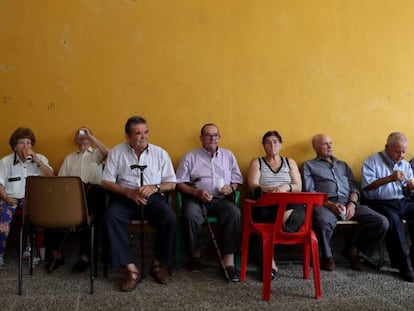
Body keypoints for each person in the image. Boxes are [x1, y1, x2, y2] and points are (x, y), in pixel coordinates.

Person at [102, 116, 176, 292]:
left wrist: (155, 187)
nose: (143, 137)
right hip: (125, 196)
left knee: (169, 218)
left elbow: (171, 183)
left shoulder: (160, 153)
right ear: (128, 136)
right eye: (138, 133)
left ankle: (159, 264)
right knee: (110, 218)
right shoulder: (116, 153)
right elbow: (106, 181)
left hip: (152, 197)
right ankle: (131, 270)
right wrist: (128, 192)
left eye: (146, 132)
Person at [302, 134, 389, 272]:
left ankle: (354, 251)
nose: (330, 146)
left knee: (381, 222)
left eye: (331, 143)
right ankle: (327, 256)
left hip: (348, 202)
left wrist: (352, 204)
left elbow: (354, 187)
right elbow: (309, 191)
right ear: (316, 148)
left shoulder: (343, 165)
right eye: (325, 144)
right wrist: (329, 204)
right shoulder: (309, 165)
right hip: (325, 203)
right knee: (322, 221)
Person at [176, 123, 243, 282]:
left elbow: (237, 179)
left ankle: (229, 261)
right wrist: (195, 192)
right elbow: (179, 183)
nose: (212, 138)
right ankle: (195, 254)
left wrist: (231, 188)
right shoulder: (190, 156)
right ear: (201, 138)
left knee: (234, 213)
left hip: (220, 199)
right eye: (208, 134)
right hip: (196, 197)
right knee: (190, 215)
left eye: (215, 135)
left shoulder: (228, 156)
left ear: (219, 137)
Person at [44, 127, 109, 272]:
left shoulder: (97, 154)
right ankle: (56, 254)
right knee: (52, 209)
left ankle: (85, 256)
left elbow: (108, 155)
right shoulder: (69, 158)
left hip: (92, 192)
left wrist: (91, 137)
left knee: (90, 213)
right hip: (72, 194)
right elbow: (60, 182)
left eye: (85, 134)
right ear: (75, 140)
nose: (82, 136)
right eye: (79, 134)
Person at [247, 130, 304, 281]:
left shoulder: (289, 162)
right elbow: (253, 185)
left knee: (299, 209)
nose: (272, 145)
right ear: (263, 146)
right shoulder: (257, 162)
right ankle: (270, 265)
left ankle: (276, 236)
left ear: (280, 144)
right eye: (268, 142)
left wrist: (286, 187)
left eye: (275, 142)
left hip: (287, 202)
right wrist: (270, 190)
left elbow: (298, 186)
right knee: (264, 217)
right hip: (266, 202)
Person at [361, 132, 414, 282]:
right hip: (380, 202)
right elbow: (366, 187)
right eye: (398, 151)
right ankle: (404, 267)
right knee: (394, 222)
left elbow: (405, 190)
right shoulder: (372, 161)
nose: (401, 155)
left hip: (401, 201)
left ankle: (412, 260)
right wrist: (389, 178)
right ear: (387, 147)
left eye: (404, 151)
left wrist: (409, 188)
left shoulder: (405, 165)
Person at [0, 127, 54, 269]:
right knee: (3, 217)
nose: (26, 146)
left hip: (32, 200)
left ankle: (31, 250)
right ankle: (0, 254)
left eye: (29, 143)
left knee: (36, 214)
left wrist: (37, 161)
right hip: (11, 198)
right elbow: (0, 183)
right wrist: (5, 197)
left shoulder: (40, 159)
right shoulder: (5, 162)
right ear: (14, 146)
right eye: (21, 143)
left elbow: (51, 177)